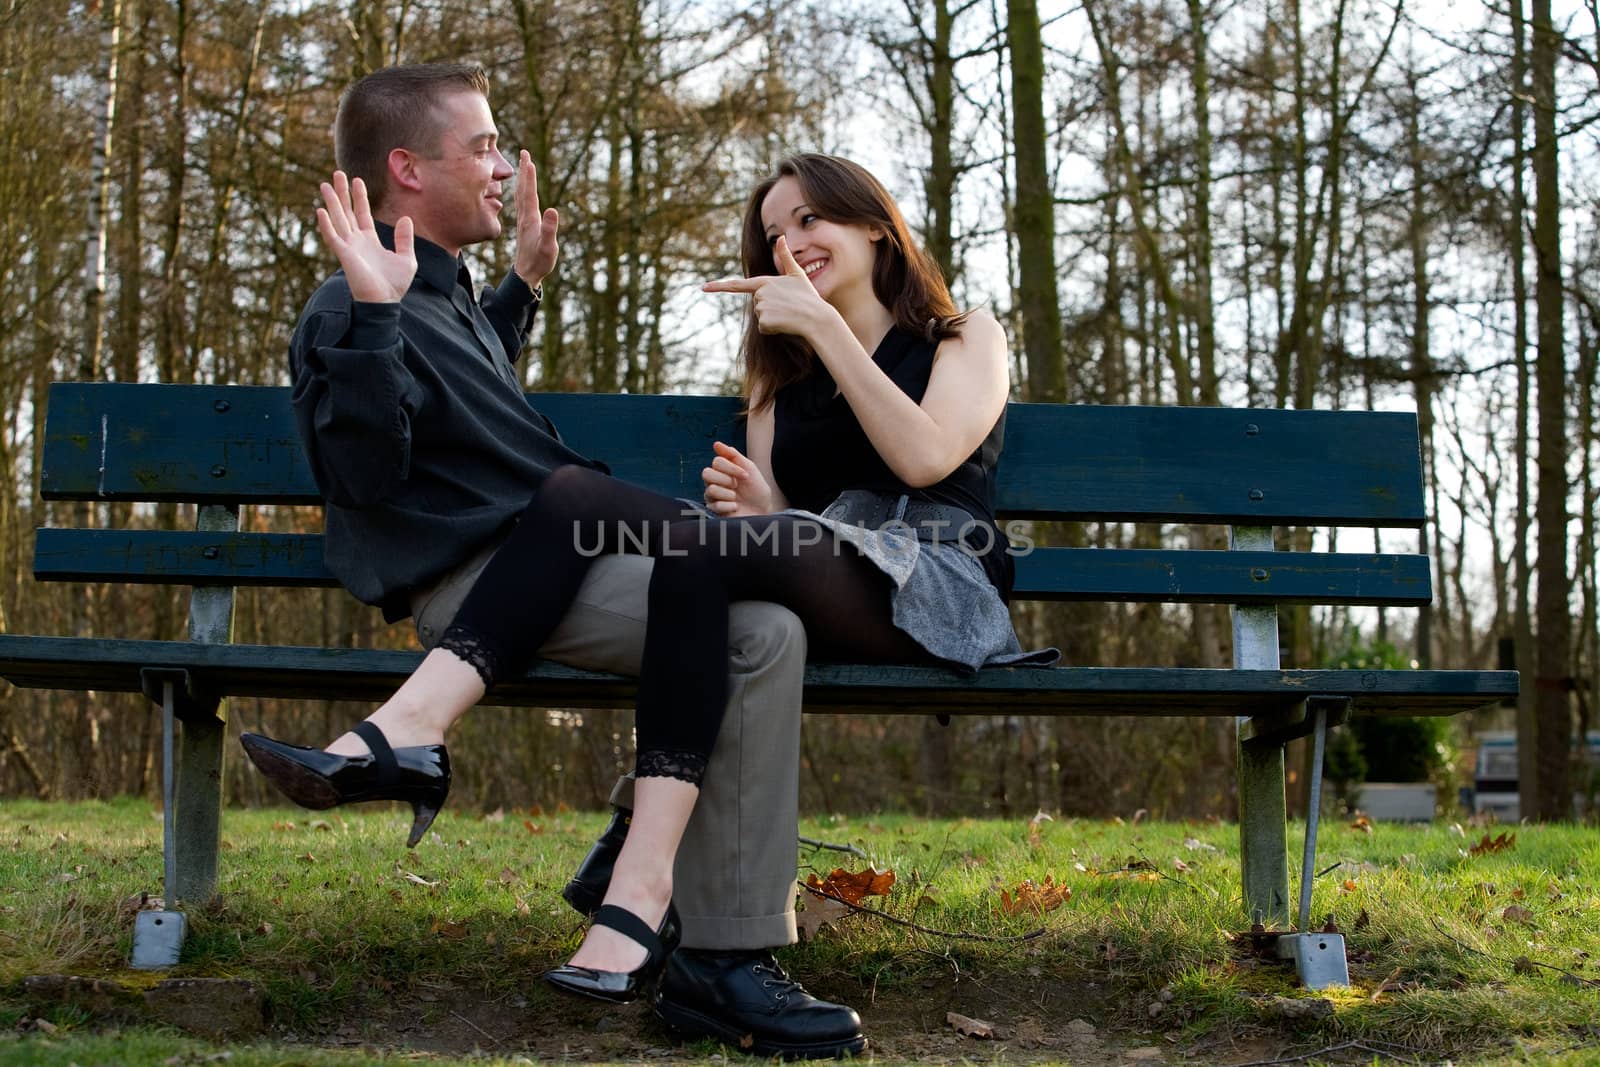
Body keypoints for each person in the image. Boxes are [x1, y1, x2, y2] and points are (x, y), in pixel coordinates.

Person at [240, 63, 866, 1059]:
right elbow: (364, 474)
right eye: (482, 146)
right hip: (492, 584)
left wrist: (521, 288)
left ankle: (662, 904)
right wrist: (368, 316)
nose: (502, 166)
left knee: (761, 620)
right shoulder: (356, 307)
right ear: (407, 167)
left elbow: (471, 409)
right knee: (757, 629)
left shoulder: (440, 299)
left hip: (560, 562)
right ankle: (720, 949)